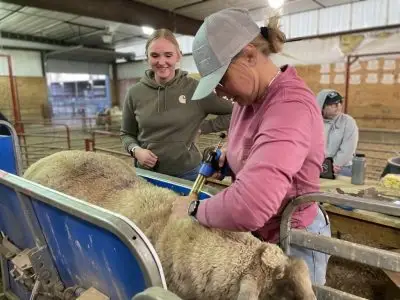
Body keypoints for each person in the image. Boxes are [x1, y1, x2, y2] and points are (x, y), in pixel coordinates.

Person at [171, 8, 331, 285]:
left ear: (248, 55)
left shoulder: (290, 107)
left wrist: (194, 209)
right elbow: (256, 150)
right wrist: (229, 160)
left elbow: (251, 205)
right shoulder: (248, 100)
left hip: (294, 237)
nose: (219, 91)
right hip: (265, 234)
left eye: (220, 79)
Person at [120, 29, 233, 181]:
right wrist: (136, 150)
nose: (161, 62)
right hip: (147, 175)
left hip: (188, 174)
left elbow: (235, 111)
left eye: (168, 55)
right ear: (147, 57)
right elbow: (127, 134)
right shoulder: (134, 93)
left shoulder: (195, 89)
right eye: (154, 55)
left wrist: (203, 127)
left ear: (178, 55)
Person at [316, 89, 359, 177]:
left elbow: (348, 149)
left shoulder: (348, 122)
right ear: (322, 106)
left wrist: (332, 166)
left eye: (340, 102)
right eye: (333, 104)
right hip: (316, 165)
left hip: (341, 166)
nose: (338, 106)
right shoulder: (313, 121)